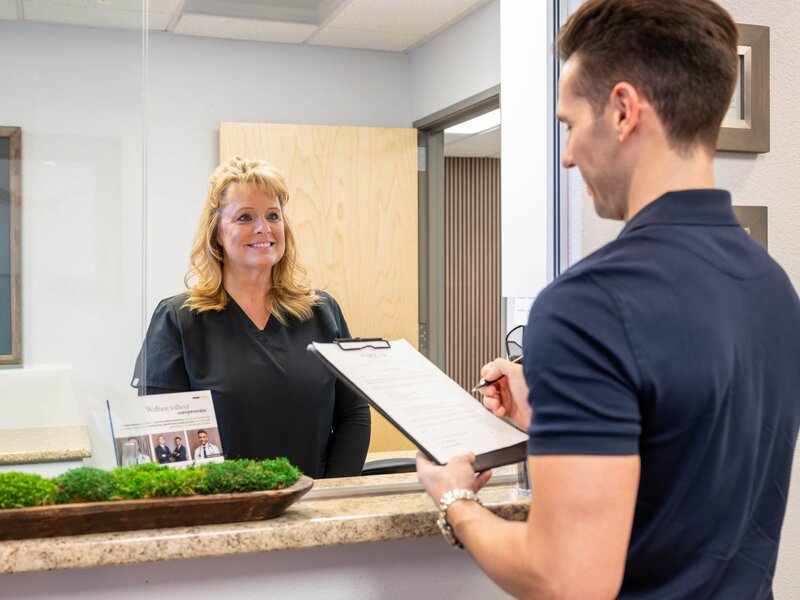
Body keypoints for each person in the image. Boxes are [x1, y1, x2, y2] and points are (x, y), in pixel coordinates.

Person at [416, 1, 800, 598]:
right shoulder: (772, 286)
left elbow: (565, 577)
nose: (567, 154)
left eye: (570, 124)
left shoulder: (586, 305)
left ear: (622, 111)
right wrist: (549, 419)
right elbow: (681, 473)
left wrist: (456, 500)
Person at [131, 156, 371, 478]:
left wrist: (333, 496)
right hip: (224, 512)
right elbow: (164, 437)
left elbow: (353, 414)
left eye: (273, 215)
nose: (264, 228)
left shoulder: (323, 313)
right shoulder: (179, 320)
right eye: (245, 217)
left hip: (313, 505)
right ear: (217, 233)